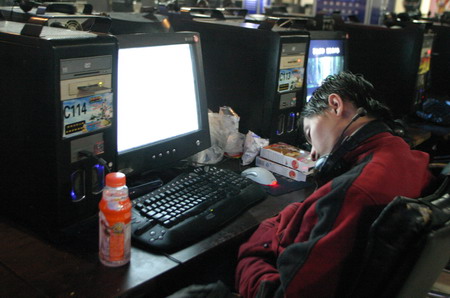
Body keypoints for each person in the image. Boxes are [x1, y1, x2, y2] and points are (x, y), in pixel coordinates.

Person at [235, 72, 434, 297]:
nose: (313, 153)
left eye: (310, 134)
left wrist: (260, 240)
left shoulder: (353, 193)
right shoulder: (407, 156)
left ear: (336, 105)